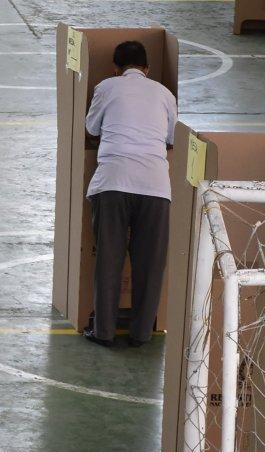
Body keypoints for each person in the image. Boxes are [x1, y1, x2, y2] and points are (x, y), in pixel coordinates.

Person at [82, 40, 176, 348]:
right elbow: (170, 139)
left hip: (112, 182)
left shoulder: (106, 87)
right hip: (155, 187)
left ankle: (104, 332)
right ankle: (141, 334)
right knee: (150, 262)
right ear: (146, 69)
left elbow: (91, 128)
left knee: (109, 259)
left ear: (115, 67)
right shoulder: (165, 94)